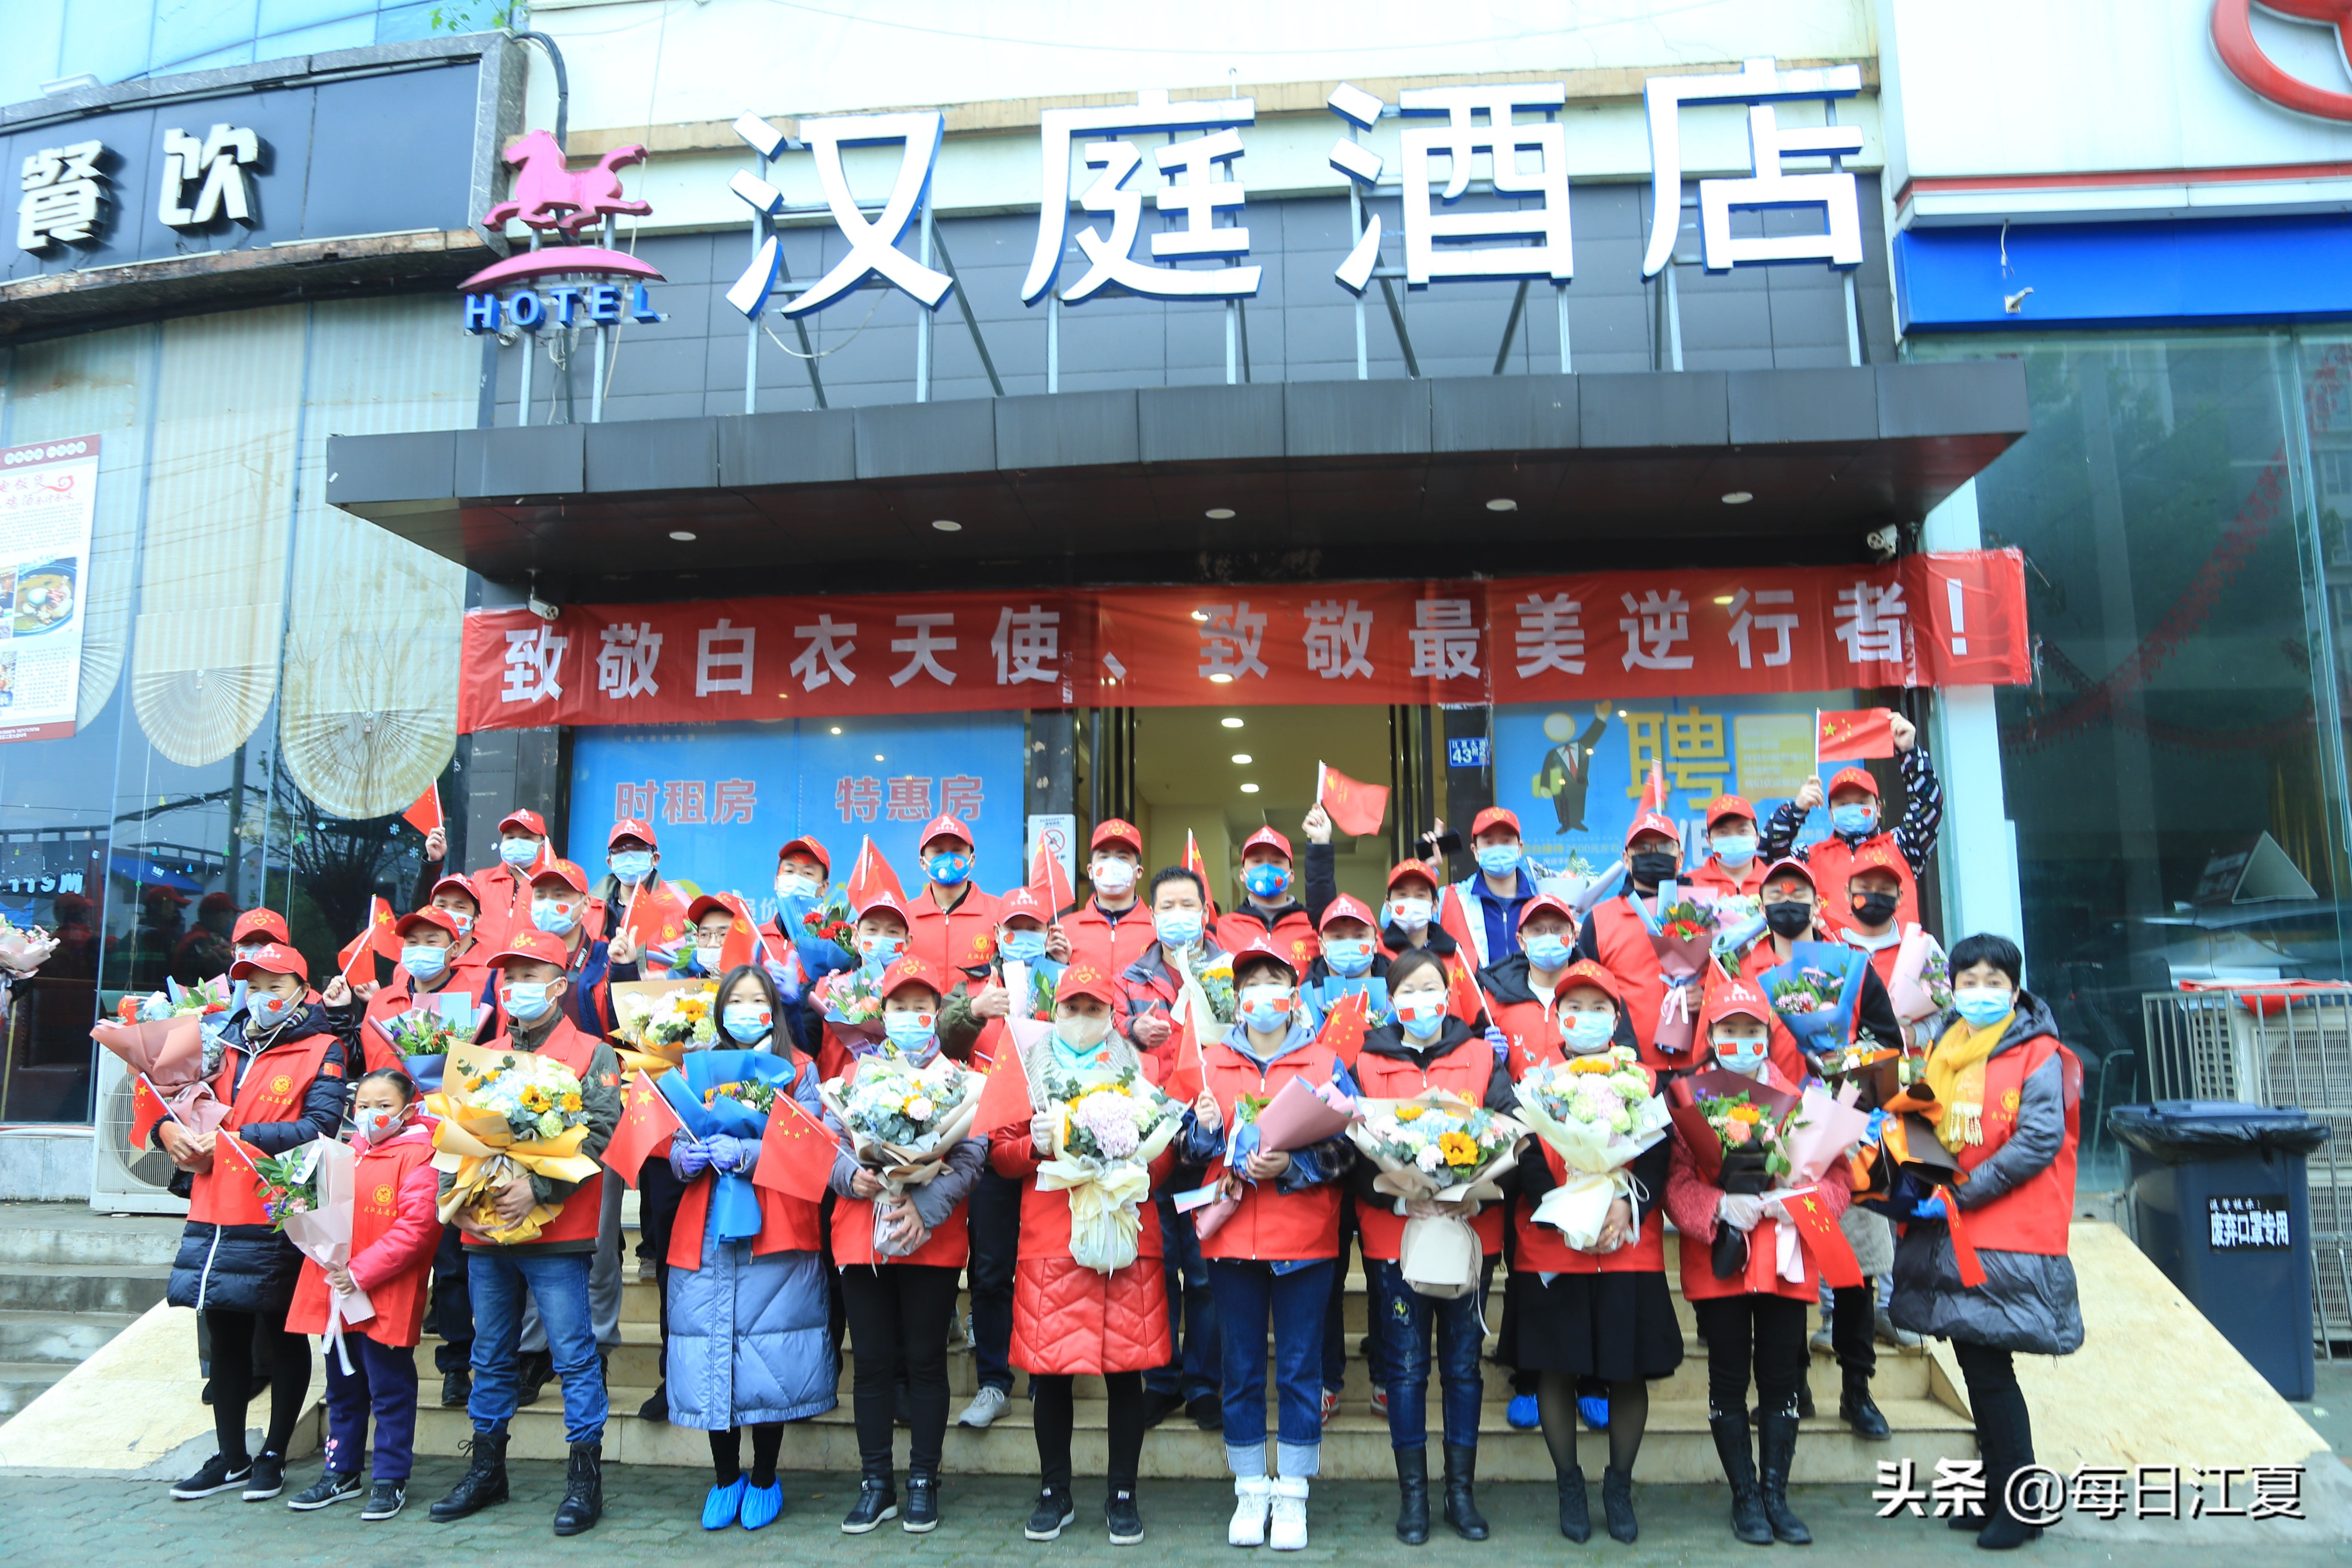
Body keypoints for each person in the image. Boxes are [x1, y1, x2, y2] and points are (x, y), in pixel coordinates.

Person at [1889, 933, 2082, 1552]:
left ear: (2015, 990)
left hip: (2004, 1233)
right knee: (1977, 1363)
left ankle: (2021, 1506)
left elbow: (2038, 1139)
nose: (1979, 993)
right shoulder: (1945, 1048)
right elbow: (1922, 1124)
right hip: (1954, 1232)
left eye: (1992, 982)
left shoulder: (2039, 1053)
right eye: (1967, 982)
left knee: (1992, 1370)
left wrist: (1959, 1194)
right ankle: (2003, 1495)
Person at [428, 928, 624, 1536]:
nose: (517, 989)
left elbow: (600, 1133)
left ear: (561, 985)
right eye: (508, 978)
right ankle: (488, 1469)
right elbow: (450, 1141)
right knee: (489, 1354)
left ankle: (584, 1477)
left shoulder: (593, 1052)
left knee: (573, 1353)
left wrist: (536, 1189)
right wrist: (452, 1203)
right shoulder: (477, 1055)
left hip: (558, 1235)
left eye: (531, 976)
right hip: (485, 1232)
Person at [158, 943, 356, 1505]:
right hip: (214, 1205)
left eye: (276, 985)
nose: (263, 997)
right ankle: (230, 1457)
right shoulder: (216, 1043)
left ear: (302, 988)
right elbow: (174, 1104)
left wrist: (240, 1138)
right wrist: (168, 1134)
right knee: (223, 1333)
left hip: (281, 1210)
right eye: (253, 984)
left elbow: (321, 1127)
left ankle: (273, 1453)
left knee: (283, 1331)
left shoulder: (326, 1046)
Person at [1179, 933, 1358, 1552]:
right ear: (1236, 997)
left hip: (1305, 1239)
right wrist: (1202, 1134)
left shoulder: (1325, 1062)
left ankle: (1295, 1497)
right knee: (1243, 1369)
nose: (1263, 995)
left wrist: (1293, 1168)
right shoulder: (1210, 1063)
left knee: (1303, 1370)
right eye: (1250, 984)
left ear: (1293, 994)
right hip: (1231, 1238)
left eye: (1274, 983)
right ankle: (1250, 1489)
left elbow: (1348, 1149)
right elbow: (1185, 1152)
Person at [992, 965, 1174, 1546]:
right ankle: (1055, 1492)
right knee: (1050, 1375)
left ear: (1112, 1017)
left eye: (1095, 1010)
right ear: (1055, 1011)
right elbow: (1000, 1152)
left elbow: (1165, 1157)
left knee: (1127, 1374)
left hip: (1124, 1237)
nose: (1082, 1021)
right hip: (1052, 1239)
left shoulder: (1136, 1068)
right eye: (1071, 1009)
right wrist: (1034, 1145)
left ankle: (1123, 1494)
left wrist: (1133, 1152)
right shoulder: (1027, 1066)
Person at [1665, 977, 1844, 1548]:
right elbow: (1675, 1182)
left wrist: (1804, 1205)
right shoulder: (1687, 1099)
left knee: (1781, 1375)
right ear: (1711, 1036)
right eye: (1729, 1031)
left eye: (1752, 1031)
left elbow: (1837, 1179)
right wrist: (1720, 1205)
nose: (1741, 1041)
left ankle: (1776, 1495)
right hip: (1721, 1252)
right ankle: (1744, 1497)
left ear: (1769, 1035)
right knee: (1727, 1376)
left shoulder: (1806, 1101)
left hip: (1786, 1254)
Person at [1504, 960, 1678, 1544]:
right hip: (1554, 1243)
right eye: (1573, 1008)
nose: (1585, 1019)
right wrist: (1565, 1211)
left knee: (1627, 1372)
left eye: (1598, 1008)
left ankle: (1619, 1484)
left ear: (1617, 1017)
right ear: (1558, 1017)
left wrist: (1627, 1207)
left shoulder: (1647, 1083)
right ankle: (1569, 1483)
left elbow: (1657, 1157)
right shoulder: (1537, 1085)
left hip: (1626, 1245)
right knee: (1556, 1365)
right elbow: (1528, 1159)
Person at [1349, 948, 1515, 1544]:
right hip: (1395, 1240)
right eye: (1408, 991)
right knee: (1407, 1367)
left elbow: (1512, 1137)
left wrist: (1478, 1193)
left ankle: (1460, 1495)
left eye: (1432, 988)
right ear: (1391, 1001)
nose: (1421, 1000)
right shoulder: (1366, 1061)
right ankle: (1414, 1498)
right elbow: (1350, 1154)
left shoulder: (1480, 1056)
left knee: (1464, 1367)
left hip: (1471, 1235)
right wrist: (1398, 1198)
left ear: (1449, 993)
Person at [664, 963, 836, 1533]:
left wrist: (751, 1154)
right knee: (712, 1352)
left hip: (774, 1230)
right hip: (707, 1229)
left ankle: (764, 1475)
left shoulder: (801, 1070)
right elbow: (674, 1136)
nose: (743, 1009)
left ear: (774, 1007)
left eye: (755, 999)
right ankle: (724, 1477)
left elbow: (813, 1148)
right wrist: (682, 1160)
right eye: (733, 1000)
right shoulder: (694, 1068)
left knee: (769, 1358)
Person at [825, 955, 989, 1535]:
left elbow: (970, 1157)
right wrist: (854, 1177)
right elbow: (827, 1148)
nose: (912, 1018)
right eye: (901, 1008)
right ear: (884, 1013)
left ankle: (924, 1479)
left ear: (939, 1015)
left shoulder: (963, 1082)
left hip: (932, 1239)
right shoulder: (852, 1076)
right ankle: (876, 1484)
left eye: (923, 1008)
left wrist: (923, 1208)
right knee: (869, 1363)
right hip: (860, 1237)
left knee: (925, 1361)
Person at [937, 884, 1069, 1431]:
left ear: (1049, 934)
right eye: (1013, 929)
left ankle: (1045, 1373)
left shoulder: (1063, 984)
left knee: (1047, 1266)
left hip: (1048, 1146)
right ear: (997, 935)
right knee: (990, 1269)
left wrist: (1064, 985)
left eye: (1033, 929)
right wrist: (972, 1010)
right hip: (988, 1148)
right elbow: (942, 1043)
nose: (1022, 939)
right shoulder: (970, 987)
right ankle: (994, 1380)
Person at [284, 1068, 442, 1521]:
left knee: (389, 1387)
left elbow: (417, 1228)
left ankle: (391, 1478)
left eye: (384, 1106)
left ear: (410, 1108)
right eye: (364, 1107)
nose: (371, 1115)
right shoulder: (342, 1153)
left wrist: (360, 1272)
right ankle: (341, 1470)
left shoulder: (422, 1155)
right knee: (341, 1386)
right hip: (338, 1289)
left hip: (383, 1291)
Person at [1116, 866, 1226, 1434]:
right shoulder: (1131, 976)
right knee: (1157, 1270)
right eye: (1168, 906)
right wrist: (1134, 1031)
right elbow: (1107, 1038)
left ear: (1206, 910)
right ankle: (1162, 1380)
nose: (1178, 914)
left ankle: (1205, 1384)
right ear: (1152, 914)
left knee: (1204, 1275)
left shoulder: (1229, 972)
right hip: (1151, 1145)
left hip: (1210, 1142)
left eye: (1189, 904)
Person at [1758, 712, 1943, 927]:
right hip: (1831, 958)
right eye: (1843, 804)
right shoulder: (1807, 857)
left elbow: (1929, 808)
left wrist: (1910, 753)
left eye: (1862, 802)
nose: (1853, 808)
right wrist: (1796, 810)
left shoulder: (1903, 846)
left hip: (1897, 958)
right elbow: (1767, 854)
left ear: (1879, 808)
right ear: (1830, 813)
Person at [1574, 807, 1691, 1070]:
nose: (1654, 855)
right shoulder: (1600, 920)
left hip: (1702, 1065)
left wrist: (1704, 995)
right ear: (1626, 860)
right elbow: (1586, 994)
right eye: (1643, 849)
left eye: (1664, 847)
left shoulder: (1706, 911)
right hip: (1631, 1072)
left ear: (1680, 857)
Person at [357, 906, 482, 1076]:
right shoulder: (380, 1000)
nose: (421, 949)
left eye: (431, 942)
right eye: (413, 942)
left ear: (454, 949)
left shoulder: (477, 1001)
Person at [808, 887, 916, 1080]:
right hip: (834, 1097)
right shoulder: (829, 989)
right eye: (872, 930)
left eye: (893, 932)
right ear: (856, 937)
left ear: (907, 942)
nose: (881, 938)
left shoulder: (917, 997)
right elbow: (806, 1046)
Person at [420, 808, 553, 959]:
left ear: (543, 844)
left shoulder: (555, 887)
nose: (517, 843)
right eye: (510, 837)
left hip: (526, 977)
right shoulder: (477, 880)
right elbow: (429, 913)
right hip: (475, 976)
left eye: (526, 838)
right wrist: (433, 863)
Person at [1435, 807, 1540, 970]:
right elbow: (1395, 922)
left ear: (1520, 848)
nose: (1498, 849)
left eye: (1506, 841)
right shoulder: (1449, 898)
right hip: (1475, 995)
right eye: (1489, 843)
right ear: (1475, 851)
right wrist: (1427, 868)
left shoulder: (1542, 896)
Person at [593, 816, 690, 977]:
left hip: (657, 999)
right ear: (610, 862)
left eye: (638, 850)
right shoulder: (589, 906)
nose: (629, 857)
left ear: (655, 859)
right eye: (620, 851)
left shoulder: (682, 906)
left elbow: (698, 967)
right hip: (602, 1000)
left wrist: (665, 978)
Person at [906, 812, 1001, 976]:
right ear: (923, 862)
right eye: (939, 851)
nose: (948, 858)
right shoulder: (904, 917)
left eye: (957, 850)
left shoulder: (999, 912)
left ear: (972, 860)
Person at [1214, 827, 1319, 974]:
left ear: (1292, 875)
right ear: (1242, 875)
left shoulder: (1314, 927)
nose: (1267, 868)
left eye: (1276, 862)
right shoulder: (1222, 928)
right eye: (1257, 861)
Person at [1064, 818, 1157, 975]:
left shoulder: (1158, 928)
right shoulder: (1066, 928)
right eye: (1104, 856)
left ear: (1139, 872)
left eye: (1123, 857)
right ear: (1091, 871)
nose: (1112, 864)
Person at [1684, 794, 1766, 920]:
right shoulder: (1688, 885)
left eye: (1742, 831)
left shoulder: (1774, 881)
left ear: (1757, 838)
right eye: (1723, 833)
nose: (1733, 838)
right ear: (1709, 841)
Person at [1535, 702, 1611, 833]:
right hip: (1562, 785)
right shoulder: (1553, 753)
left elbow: (1593, 734)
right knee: (1562, 803)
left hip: (1579, 782)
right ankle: (1566, 824)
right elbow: (1547, 769)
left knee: (1579, 801)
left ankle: (1577, 822)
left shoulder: (1582, 745)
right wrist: (1545, 786)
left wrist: (1601, 719)